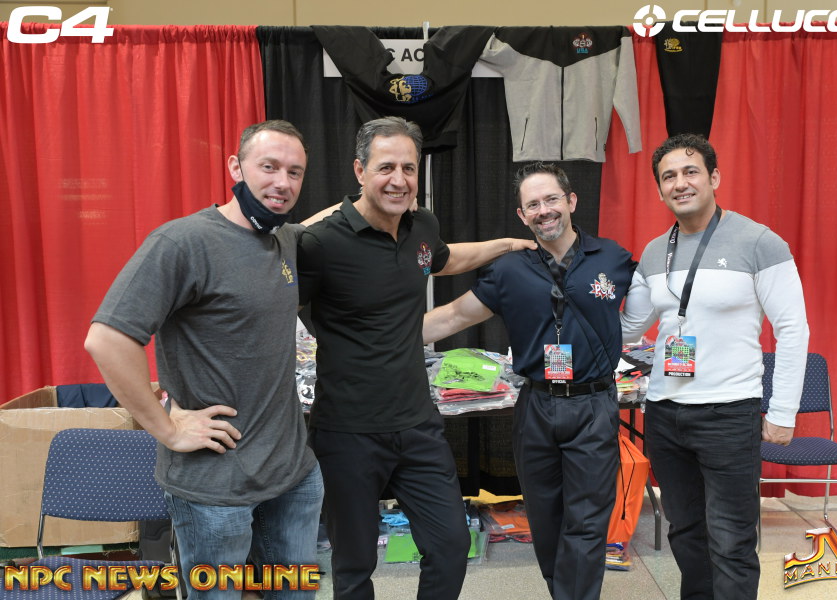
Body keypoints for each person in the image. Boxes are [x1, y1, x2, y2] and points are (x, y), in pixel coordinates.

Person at [296, 116, 536, 600]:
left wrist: (507, 244)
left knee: (450, 545)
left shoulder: (422, 226)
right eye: (385, 167)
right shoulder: (319, 243)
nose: (399, 179)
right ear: (359, 170)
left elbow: (444, 259)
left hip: (417, 425)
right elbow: (266, 289)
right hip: (347, 431)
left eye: (408, 168)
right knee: (354, 565)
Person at [84, 120, 323, 600]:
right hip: (215, 486)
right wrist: (168, 428)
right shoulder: (183, 242)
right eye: (269, 167)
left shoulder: (284, 239)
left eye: (294, 172)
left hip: (293, 476)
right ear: (235, 167)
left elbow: (328, 219)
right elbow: (106, 341)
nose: (282, 182)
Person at [422, 161, 636, 600]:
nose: (544, 211)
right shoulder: (509, 270)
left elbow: (657, 303)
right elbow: (455, 316)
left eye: (551, 199)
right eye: (533, 205)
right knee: (545, 519)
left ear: (571, 201)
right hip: (535, 407)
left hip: (593, 405)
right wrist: (374, 337)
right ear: (522, 216)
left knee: (587, 522)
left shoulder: (611, 258)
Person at [620, 133, 809, 599]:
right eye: (668, 176)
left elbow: (793, 329)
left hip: (729, 413)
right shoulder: (654, 252)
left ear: (714, 178)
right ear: (659, 189)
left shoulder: (759, 241)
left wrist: (783, 412)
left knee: (730, 539)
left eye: (691, 172)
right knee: (685, 533)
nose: (680, 183)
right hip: (664, 413)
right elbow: (628, 329)